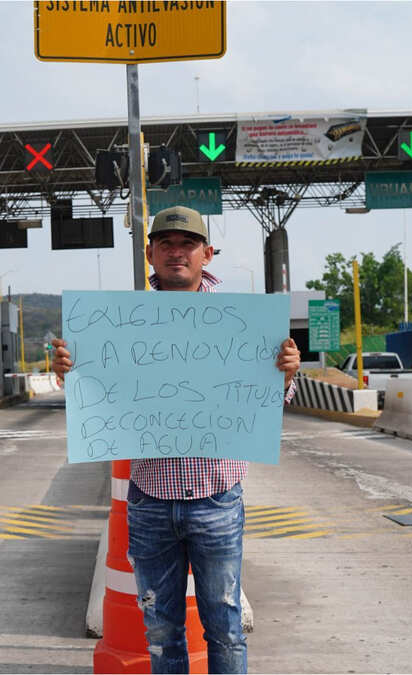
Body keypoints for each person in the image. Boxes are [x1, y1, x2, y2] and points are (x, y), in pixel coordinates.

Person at [51, 205, 301, 674]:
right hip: (150, 503)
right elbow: (96, 393)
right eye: (165, 243)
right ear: (149, 253)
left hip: (217, 500)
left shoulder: (241, 322)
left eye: (187, 244)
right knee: (162, 633)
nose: (176, 252)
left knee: (225, 630)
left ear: (208, 254)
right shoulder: (118, 323)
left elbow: (272, 399)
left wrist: (286, 374)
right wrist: (68, 369)